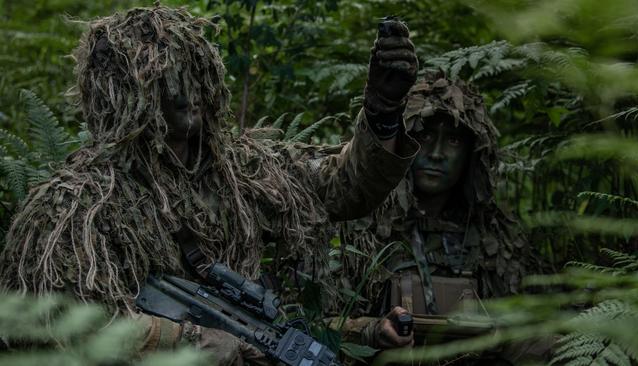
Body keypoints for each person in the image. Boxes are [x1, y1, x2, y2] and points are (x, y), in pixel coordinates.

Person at [0, 5, 419, 364]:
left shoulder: (242, 171)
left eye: (191, 71)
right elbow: (57, 322)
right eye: (163, 78)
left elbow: (341, 189)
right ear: (123, 94)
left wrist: (382, 112)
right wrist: (191, 342)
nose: (185, 91)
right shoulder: (77, 205)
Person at [334, 72, 539, 364]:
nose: (437, 154)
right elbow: (310, 326)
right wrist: (371, 331)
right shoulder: (358, 227)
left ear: (472, 154)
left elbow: (539, 329)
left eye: (453, 140)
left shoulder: (496, 235)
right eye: (425, 136)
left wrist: (498, 336)